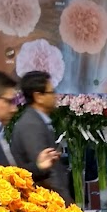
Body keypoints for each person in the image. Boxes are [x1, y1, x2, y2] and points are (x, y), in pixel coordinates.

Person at [10, 70, 72, 203]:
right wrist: (66, 203)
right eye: (51, 92)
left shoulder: (38, 121)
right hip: (46, 202)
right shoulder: (31, 125)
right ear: (38, 96)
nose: (55, 96)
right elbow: (47, 171)